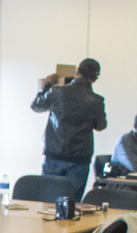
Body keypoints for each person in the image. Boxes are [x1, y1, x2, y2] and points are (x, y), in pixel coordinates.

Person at [31, 58, 108, 201]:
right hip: (80, 159)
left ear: (77, 72)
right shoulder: (96, 100)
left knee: (48, 201)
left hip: (54, 155)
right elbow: (101, 125)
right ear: (95, 79)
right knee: (72, 204)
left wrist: (47, 85)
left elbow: (37, 105)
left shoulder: (56, 91)